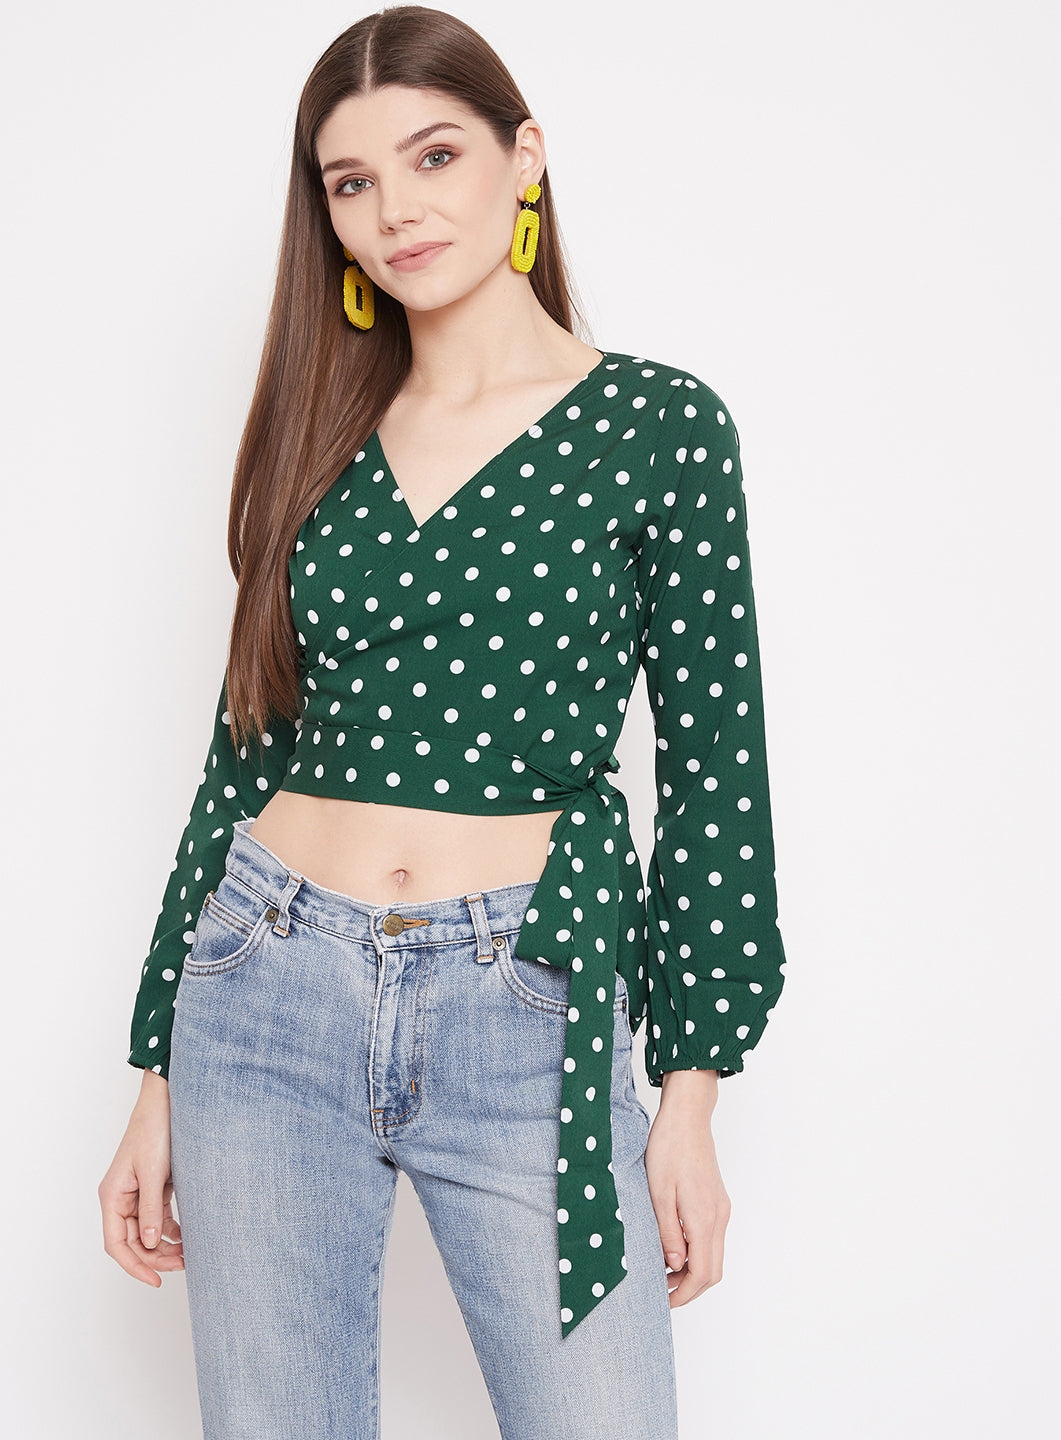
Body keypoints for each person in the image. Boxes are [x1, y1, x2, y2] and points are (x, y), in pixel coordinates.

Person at [98, 7, 788, 1437]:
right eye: (351, 182)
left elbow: (718, 769)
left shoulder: (658, 428)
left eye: (433, 156)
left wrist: (691, 1094)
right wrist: (157, 1071)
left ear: (524, 158)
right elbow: (245, 754)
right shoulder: (317, 432)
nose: (395, 211)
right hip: (265, 991)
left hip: (522, 997)